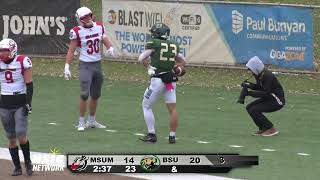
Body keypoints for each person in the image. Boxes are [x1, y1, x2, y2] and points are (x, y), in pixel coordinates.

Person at [64, 7, 115, 131]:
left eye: (89, 16)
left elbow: (104, 38)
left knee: (96, 95)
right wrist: (67, 66)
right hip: (85, 65)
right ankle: (81, 122)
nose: (88, 19)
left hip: (97, 64)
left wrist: (110, 48)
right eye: (84, 17)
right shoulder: (76, 31)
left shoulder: (99, 26)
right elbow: (71, 50)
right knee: (84, 94)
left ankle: (91, 121)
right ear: (79, 20)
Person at [138, 23, 186, 144]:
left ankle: (151, 134)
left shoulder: (154, 43)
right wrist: (177, 68)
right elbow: (183, 61)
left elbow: (141, 58)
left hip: (158, 80)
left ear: (157, 33)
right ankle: (172, 137)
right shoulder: (173, 45)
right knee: (173, 109)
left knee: (146, 106)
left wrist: (148, 66)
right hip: (170, 81)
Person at [0, 38, 33, 176]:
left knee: (21, 133)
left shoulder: (22, 61)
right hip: (4, 103)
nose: (2, 53)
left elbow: (29, 84)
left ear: (13, 50)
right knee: (11, 137)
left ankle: (28, 161)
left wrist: (28, 103)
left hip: (19, 101)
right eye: (1, 50)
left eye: (5, 50)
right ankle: (17, 167)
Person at [240, 56, 285, 136]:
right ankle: (263, 128)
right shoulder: (259, 74)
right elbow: (261, 88)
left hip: (277, 101)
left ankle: (271, 129)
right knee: (249, 107)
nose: (250, 71)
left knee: (254, 109)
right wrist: (249, 85)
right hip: (269, 98)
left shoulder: (268, 76)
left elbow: (265, 93)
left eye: (250, 69)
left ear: (256, 67)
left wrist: (249, 93)